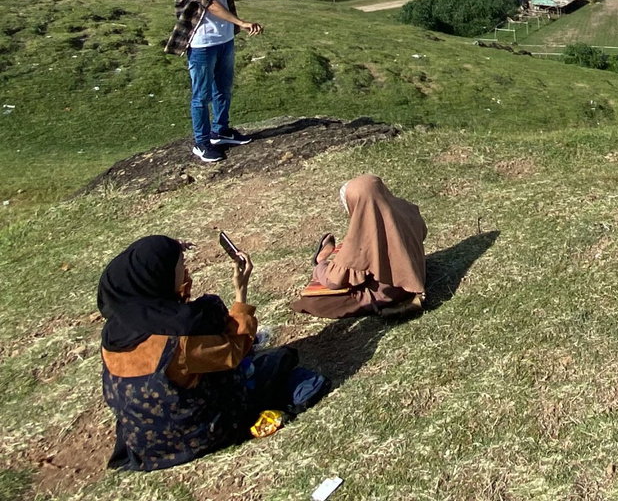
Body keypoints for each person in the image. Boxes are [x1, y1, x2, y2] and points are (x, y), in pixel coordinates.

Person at [97, 235, 302, 471]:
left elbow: (172, 306)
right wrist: (241, 293)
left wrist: (170, 250)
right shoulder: (179, 341)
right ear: (161, 278)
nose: (185, 269)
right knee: (278, 361)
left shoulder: (115, 330)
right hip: (192, 435)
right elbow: (236, 350)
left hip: (145, 442)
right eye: (180, 267)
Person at [164, 0, 262, 163]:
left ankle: (221, 131)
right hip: (201, 43)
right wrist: (242, 23)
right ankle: (202, 142)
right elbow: (210, 4)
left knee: (223, 88)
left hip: (224, 39)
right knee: (201, 95)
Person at [292, 175, 428, 319]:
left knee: (313, 302)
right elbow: (422, 233)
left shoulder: (365, 236)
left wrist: (321, 267)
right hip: (415, 274)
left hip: (389, 291)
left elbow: (334, 281)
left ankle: (321, 259)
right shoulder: (407, 210)